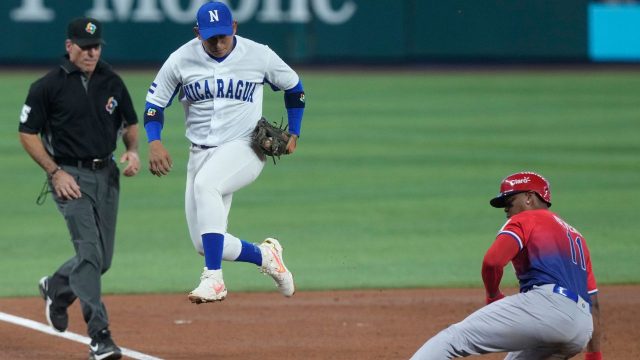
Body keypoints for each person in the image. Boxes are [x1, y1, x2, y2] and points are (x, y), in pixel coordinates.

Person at [143, 1, 306, 304]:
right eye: (210, 38)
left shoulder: (259, 54)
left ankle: (214, 279)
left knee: (208, 186)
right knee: (204, 242)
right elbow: (154, 106)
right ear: (197, 33)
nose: (217, 43)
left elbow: (295, 88)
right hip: (200, 154)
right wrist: (154, 141)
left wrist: (294, 132)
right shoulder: (180, 59)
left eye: (223, 36)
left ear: (234, 28)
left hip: (244, 148)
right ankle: (266, 256)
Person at [18, 16, 139, 360]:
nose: (91, 52)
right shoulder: (47, 86)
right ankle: (100, 337)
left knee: (102, 260)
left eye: (96, 46)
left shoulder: (112, 81)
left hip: (108, 176)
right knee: (89, 254)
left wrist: (132, 151)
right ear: (69, 46)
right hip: (69, 177)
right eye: (85, 47)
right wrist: (55, 172)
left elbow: (129, 122)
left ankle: (57, 286)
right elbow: (27, 132)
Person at [411, 171, 602, 360]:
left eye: (509, 202)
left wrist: (493, 295)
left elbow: (492, 262)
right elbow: (594, 303)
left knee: (453, 338)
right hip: (581, 328)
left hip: (547, 308)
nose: (506, 211)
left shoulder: (526, 219)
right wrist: (594, 354)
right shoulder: (578, 238)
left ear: (529, 197)